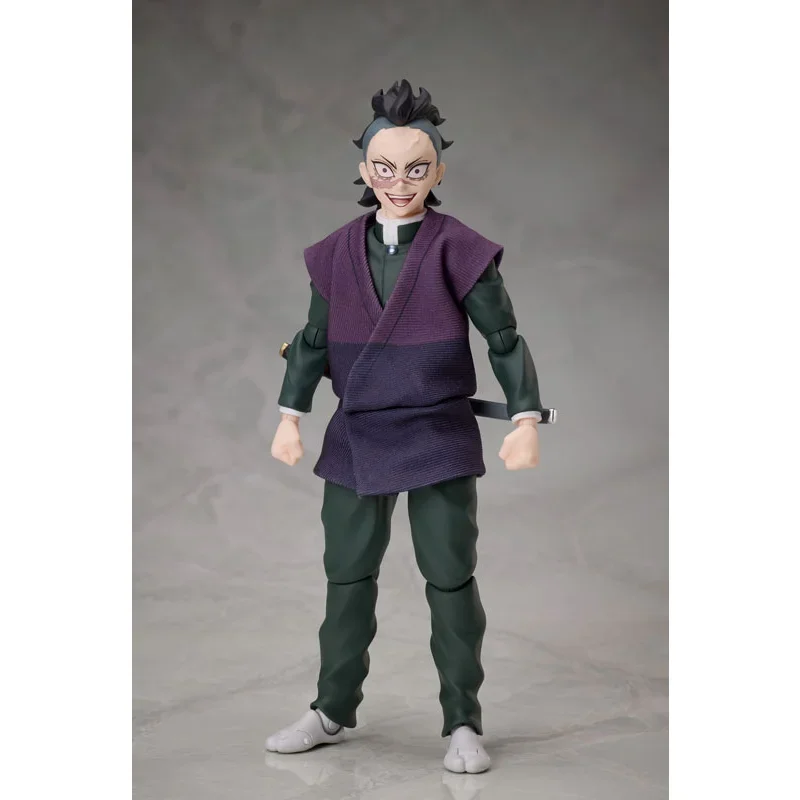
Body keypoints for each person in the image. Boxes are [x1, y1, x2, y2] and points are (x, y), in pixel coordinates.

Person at [267, 79, 544, 774]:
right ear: (364, 170)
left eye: (416, 169)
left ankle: (463, 720)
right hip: (357, 431)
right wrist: (290, 414)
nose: (399, 183)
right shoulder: (335, 252)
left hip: (438, 431)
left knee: (450, 577)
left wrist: (526, 416)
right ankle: (332, 708)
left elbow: (503, 337)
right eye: (385, 168)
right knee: (345, 577)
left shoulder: (458, 248)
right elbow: (312, 338)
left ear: (438, 172)